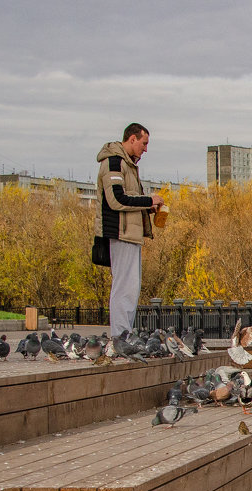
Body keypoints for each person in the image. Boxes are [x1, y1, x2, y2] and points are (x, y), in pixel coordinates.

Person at [95, 123, 163, 338]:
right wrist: (148, 200)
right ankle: (120, 337)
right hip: (120, 233)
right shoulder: (114, 162)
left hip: (130, 234)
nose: (145, 149)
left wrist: (149, 208)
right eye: (144, 143)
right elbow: (116, 199)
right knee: (124, 287)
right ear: (132, 139)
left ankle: (124, 335)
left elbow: (128, 200)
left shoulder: (128, 164)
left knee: (131, 288)